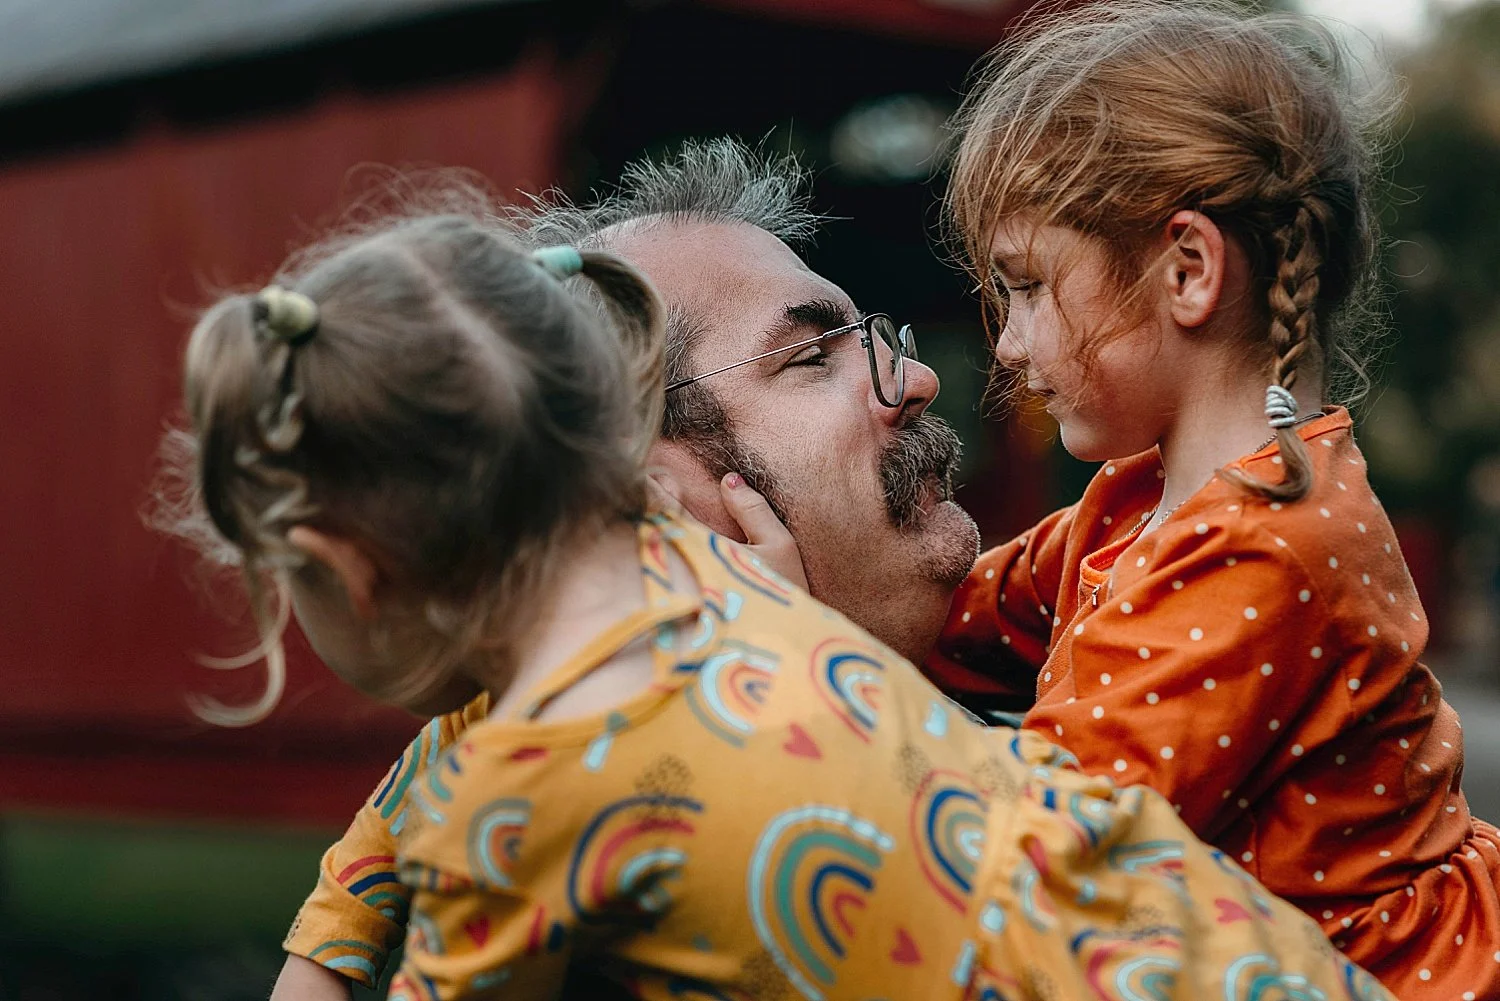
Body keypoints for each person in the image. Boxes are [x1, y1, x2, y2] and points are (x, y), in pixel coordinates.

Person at [172, 201, 1391, 1001]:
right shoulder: (627, 718)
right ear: (642, 479)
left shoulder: (532, 801)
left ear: (342, 571)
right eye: (813, 355)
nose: (919, 377)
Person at [937, 1, 1500, 996]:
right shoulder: (1139, 500)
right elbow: (955, 618)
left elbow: (1042, 834)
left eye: (1027, 286)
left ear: (1188, 270)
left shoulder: (1269, 540)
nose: (1008, 345)